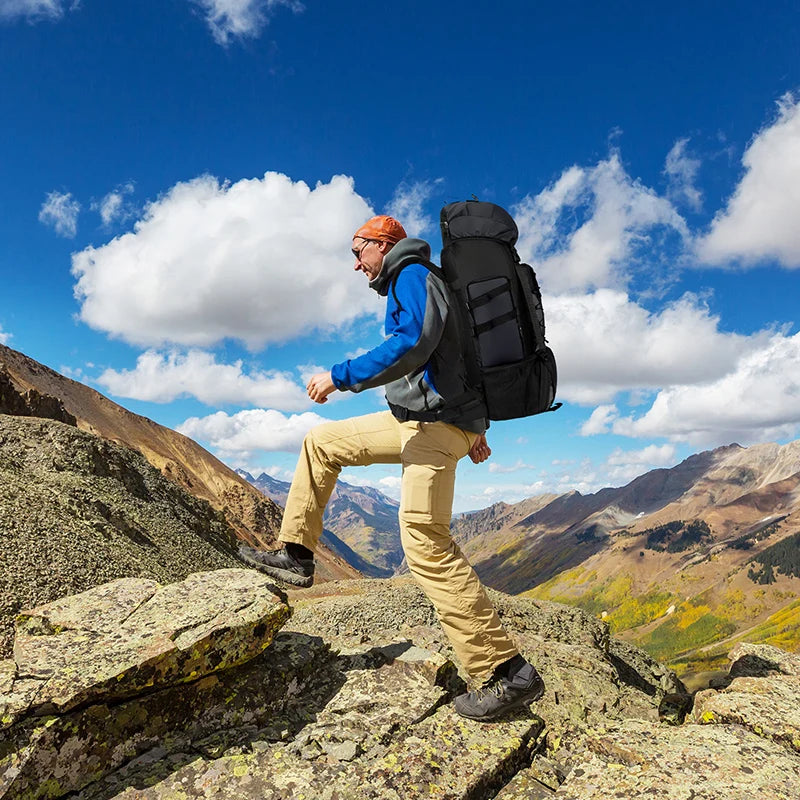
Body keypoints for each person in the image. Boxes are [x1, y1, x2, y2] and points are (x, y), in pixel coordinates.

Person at [239, 215, 544, 721]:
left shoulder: (413, 274)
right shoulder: (420, 280)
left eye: (358, 251)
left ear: (384, 244)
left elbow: (412, 343)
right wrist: (475, 427)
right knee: (322, 442)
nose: (356, 264)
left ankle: (507, 673)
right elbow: (456, 359)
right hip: (422, 421)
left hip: (432, 426)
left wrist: (339, 378)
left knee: (425, 542)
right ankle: (297, 554)